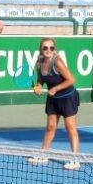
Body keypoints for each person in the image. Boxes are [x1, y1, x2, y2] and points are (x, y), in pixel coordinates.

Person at [27, 38, 81, 170]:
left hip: (67, 97)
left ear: (54, 49)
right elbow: (40, 80)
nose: (48, 50)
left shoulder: (57, 62)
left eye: (51, 48)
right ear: (41, 49)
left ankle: (75, 160)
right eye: (45, 48)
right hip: (53, 99)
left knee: (70, 128)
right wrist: (38, 87)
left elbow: (71, 79)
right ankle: (43, 155)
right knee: (50, 127)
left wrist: (55, 88)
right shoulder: (39, 62)